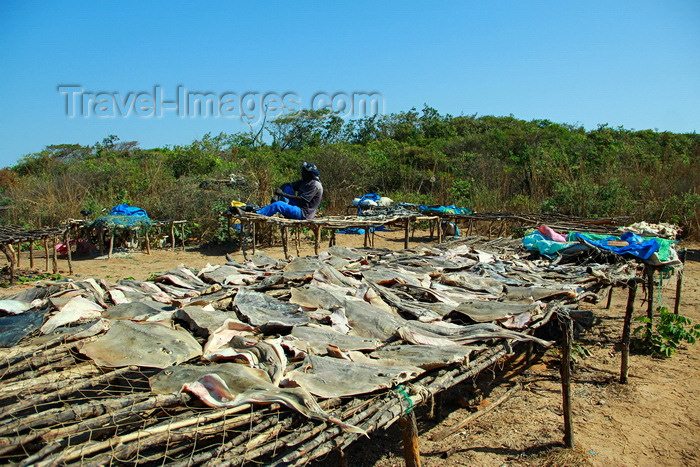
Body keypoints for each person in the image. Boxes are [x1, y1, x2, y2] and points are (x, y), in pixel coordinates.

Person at [256, 162, 323, 220]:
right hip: (297, 207)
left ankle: (257, 215)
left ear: (309, 173)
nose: (302, 173)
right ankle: (284, 208)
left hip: (304, 214)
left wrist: (282, 194)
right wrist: (276, 196)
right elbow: (285, 184)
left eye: (304, 171)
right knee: (288, 188)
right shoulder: (304, 182)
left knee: (278, 205)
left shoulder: (315, 185)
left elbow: (302, 199)